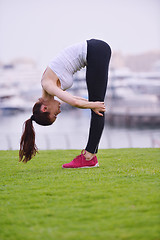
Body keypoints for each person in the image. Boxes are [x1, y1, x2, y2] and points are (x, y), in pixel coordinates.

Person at [19, 39, 111, 168]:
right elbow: (73, 98)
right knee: (96, 105)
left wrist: (94, 105)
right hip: (95, 51)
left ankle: (88, 157)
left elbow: (73, 102)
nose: (59, 112)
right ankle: (90, 156)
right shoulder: (49, 90)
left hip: (95, 51)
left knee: (97, 108)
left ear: (45, 108)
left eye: (55, 115)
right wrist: (92, 104)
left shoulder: (47, 84)